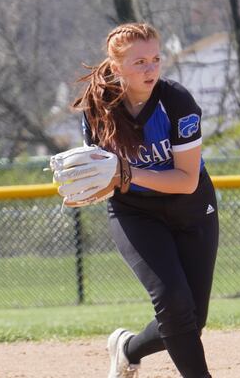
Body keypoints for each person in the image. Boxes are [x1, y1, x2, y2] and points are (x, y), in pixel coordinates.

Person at [73, 23, 218, 378]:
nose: (151, 68)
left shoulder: (176, 102)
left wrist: (126, 172)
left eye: (155, 59)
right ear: (117, 65)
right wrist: (87, 184)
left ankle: (127, 348)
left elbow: (185, 181)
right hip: (135, 212)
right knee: (173, 303)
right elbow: (104, 178)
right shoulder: (98, 107)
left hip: (191, 207)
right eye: (140, 62)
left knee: (191, 320)